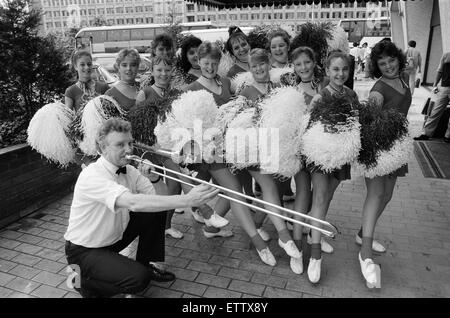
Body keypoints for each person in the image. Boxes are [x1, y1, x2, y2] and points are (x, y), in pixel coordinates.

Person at [64, 118, 219, 298]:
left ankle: (145, 264)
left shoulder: (129, 170)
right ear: (102, 147)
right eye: (120, 144)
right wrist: (188, 199)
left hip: (112, 240)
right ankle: (84, 283)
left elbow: (160, 200)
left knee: (156, 211)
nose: (129, 150)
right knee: (138, 279)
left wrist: (154, 179)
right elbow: (134, 203)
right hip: (84, 251)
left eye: (130, 143)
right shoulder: (92, 176)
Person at [185, 42, 280, 266]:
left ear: (219, 63)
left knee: (235, 191)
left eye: (214, 63)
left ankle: (210, 229)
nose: (210, 67)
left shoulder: (226, 82)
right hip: (211, 151)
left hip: (234, 147)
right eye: (206, 62)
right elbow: (189, 126)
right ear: (199, 62)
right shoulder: (190, 89)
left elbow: (239, 111)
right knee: (235, 192)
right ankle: (259, 244)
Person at [237, 48, 302, 265]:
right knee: (270, 188)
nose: (259, 69)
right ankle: (284, 236)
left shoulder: (278, 88)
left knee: (272, 190)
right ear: (249, 68)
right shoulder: (245, 92)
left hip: (274, 148)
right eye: (254, 66)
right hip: (253, 150)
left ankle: (255, 226)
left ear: (268, 64)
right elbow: (239, 123)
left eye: (262, 64)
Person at [357, 40, 412, 288]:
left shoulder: (403, 80)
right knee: (376, 195)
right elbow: (369, 123)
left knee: (387, 196)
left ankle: (361, 234)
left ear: (398, 58)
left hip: (396, 149)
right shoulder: (378, 90)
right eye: (382, 63)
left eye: (391, 60)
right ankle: (365, 252)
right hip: (379, 151)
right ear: (376, 66)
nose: (388, 65)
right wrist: (372, 155)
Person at [307, 51, 359, 284]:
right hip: (321, 157)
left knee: (327, 197)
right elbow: (309, 129)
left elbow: (355, 125)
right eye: (335, 69)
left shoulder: (352, 95)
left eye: (344, 69)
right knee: (319, 198)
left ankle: (313, 233)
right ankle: (315, 255)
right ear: (327, 71)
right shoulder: (320, 98)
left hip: (341, 158)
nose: (340, 73)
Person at [284, 46, 334, 275]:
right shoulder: (291, 89)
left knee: (321, 194)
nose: (303, 67)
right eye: (298, 64)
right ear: (293, 67)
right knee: (303, 192)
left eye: (307, 62)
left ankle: (315, 240)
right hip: (301, 147)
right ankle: (296, 244)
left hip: (322, 148)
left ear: (314, 62)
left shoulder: (326, 83)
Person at [267, 29, 295, 202]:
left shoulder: (296, 66)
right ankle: (276, 214)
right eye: (274, 47)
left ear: (288, 46)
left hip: (293, 123)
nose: (278, 50)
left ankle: (285, 192)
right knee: (276, 173)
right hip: (275, 125)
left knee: (290, 165)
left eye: (281, 45)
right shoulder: (267, 70)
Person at [414, 51, 450, 143]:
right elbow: (440, 71)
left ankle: (448, 136)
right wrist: (435, 85)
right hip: (444, 87)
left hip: (445, 87)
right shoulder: (446, 55)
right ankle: (426, 134)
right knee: (435, 111)